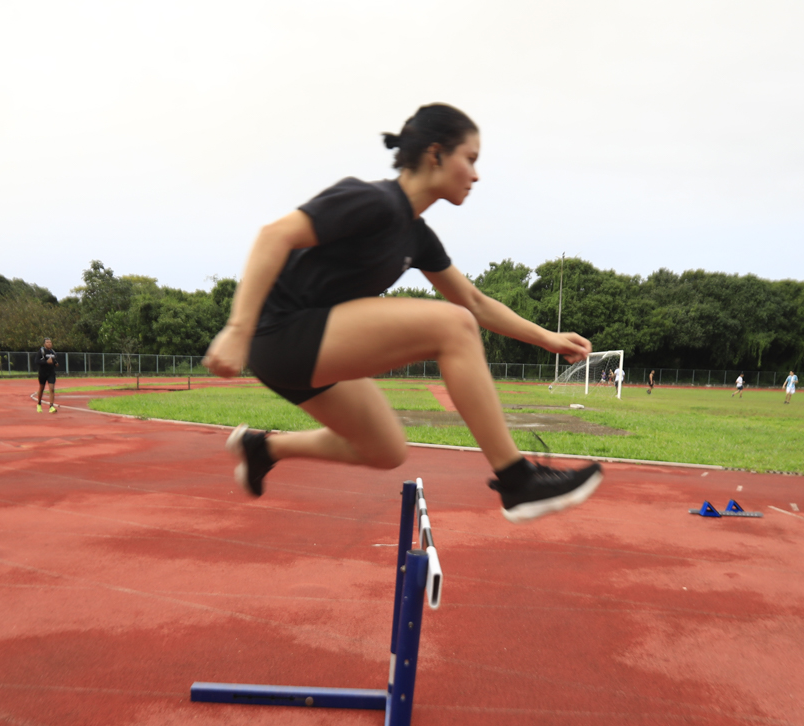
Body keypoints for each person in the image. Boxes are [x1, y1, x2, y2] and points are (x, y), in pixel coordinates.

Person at [203, 104, 601, 523]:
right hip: (281, 334)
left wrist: (548, 338)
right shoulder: (371, 200)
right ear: (435, 155)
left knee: (386, 449)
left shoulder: (418, 236)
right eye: (471, 159)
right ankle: (517, 480)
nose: (477, 174)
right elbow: (274, 235)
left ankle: (264, 448)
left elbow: (476, 301)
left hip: (308, 350)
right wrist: (237, 328)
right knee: (452, 327)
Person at [35, 338, 58, 413]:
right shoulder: (41, 351)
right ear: (44, 344)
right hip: (43, 373)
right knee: (41, 389)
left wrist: (55, 364)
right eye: (47, 342)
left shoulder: (53, 352)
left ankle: (51, 406)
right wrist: (46, 362)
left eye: (50, 342)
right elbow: (37, 361)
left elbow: (54, 361)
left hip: (51, 373)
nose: (49, 343)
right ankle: (39, 404)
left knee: (52, 389)